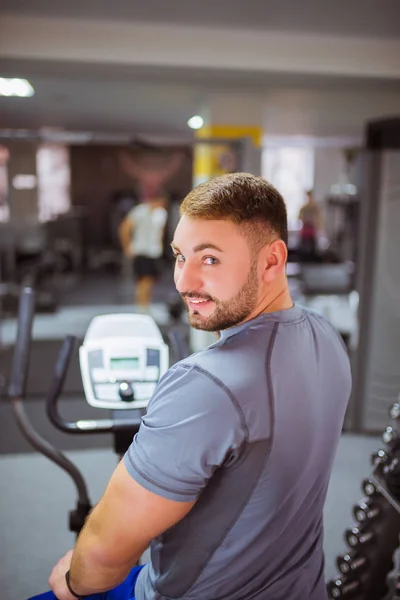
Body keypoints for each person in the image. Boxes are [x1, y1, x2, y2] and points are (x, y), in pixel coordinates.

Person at [31, 173, 351, 600]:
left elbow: (103, 562)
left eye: (211, 259)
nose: (184, 282)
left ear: (272, 262)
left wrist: (72, 582)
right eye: (181, 257)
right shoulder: (325, 335)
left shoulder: (205, 386)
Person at [118, 184, 168, 307]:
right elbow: (124, 228)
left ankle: (146, 305)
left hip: (154, 252)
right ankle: (141, 307)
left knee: (150, 280)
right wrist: (127, 247)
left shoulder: (161, 213)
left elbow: (161, 233)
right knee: (143, 281)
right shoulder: (140, 211)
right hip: (141, 251)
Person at [298, 189, 324, 261]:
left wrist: (320, 229)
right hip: (305, 231)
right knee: (303, 251)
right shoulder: (303, 208)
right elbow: (299, 218)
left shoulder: (315, 208)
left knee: (313, 251)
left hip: (312, 231)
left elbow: (319, 219)